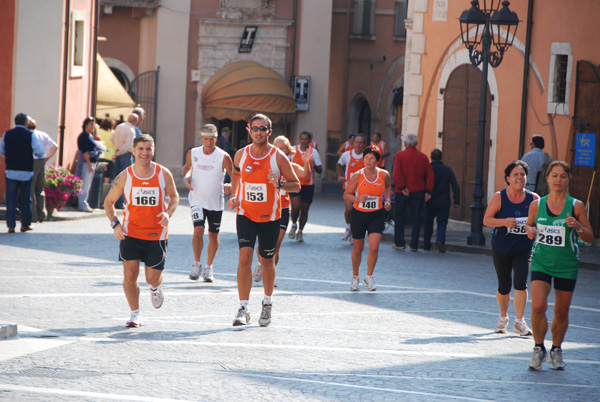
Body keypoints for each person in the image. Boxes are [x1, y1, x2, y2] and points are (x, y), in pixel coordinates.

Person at [227, 113, 300, 327]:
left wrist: (279, 184)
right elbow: (236, 174)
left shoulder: (278, 157)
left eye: (263, 128)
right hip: (246, 214)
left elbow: (296, 185)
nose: (259, 132)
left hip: (270, 216)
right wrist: (234, 195)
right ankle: (243, 308)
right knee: (244, 257)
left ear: (270, 131)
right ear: (249, 129)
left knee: (267, 260)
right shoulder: (241, 154)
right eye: (255, 128)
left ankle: (267, 304)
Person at [104, 134, 179, 328]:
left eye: (148, 149)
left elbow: (174, 196)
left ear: (153, 150)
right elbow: (108, 202)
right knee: (130, 275)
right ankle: (135, 313)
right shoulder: (125, 176)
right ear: (133, 151)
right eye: (141, 149)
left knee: (151, 277)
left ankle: (155, 288)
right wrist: (115, 224)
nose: (145, 153)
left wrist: (168, 213)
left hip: (157, 233)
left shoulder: (163, 174)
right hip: (131, 233)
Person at [524, 161, 593, 370]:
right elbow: (530, 224)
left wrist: (578, 226)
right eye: (554, 175)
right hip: (541, 262)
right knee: (538, 306)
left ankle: (556, 349)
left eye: (562, 176)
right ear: (547, 178)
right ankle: (538, 348)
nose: (558, 180)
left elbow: (590, 237)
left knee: (561, 311)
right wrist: (529, 230)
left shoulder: (576, 206)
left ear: (568, 179)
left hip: (566, 264)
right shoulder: (537, 205)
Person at [483, 160, 538, 337]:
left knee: (521, 282)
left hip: (523, 247)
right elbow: (487, 220)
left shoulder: (534, 199)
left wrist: (533, 231)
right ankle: (503, 317)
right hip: (502, 245)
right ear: (508, 178)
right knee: (504, 284)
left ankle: (519, 321)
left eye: (522, 174)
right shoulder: (499, 197)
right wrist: (504, 222)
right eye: (516, 174)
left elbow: (540, 224)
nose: (520, 177)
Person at [253, 135, 312, 282]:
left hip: (282, 209)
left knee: (275, 246)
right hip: (265, 209)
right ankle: (261, 264)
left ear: (287, 150)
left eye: (282, 148)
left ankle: (270, 275)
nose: (279, 151)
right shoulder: (267, 164)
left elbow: (305, 174)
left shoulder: (290, 166)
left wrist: (306, 163)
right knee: (261, 247)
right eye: (277, 148)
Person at [183, 124, 233, 283]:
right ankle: (197, 264)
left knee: (213, 234)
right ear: (201, 138)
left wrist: (230, 186)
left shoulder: (223, 156)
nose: (209, 142)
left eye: (212, 139)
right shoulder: (193, 153)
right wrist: (187, 178)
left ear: (216, 138)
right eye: (206, 139)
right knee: (198, 230)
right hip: (197, 199)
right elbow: (188, 168)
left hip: (215, 202)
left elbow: (234, 176)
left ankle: (209, 267)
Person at [343, 146, 391, 292]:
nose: (368, 161)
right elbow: (346, 195)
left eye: (371, 158)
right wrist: (357, 198)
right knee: (358, 249)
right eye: (366, 158)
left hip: (376, 214)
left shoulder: (384, 175)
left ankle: (369, 277)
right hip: (359, 215)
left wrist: (387, 200)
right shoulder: (357, 175)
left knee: (374, 247)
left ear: (378, 160)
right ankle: (355, 276)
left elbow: (388, 187)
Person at [0, 113, 45, 233]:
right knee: (26, 198)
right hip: (26, 171)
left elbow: (2, 150)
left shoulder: (7, 134)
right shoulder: (30, 135)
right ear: (26, 123)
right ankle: (25, 224)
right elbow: (39, 152)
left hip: (11, 170)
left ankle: (11, 225)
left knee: (11, 199)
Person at [392, 133, 434, 251]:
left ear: (404, 144)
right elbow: (430, 176)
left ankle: (399, 242)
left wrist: (402, 186)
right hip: (418, 191)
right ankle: (414, 244)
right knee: (416, 218)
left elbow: (396, 174)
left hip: (402, 192)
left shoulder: (399, 155)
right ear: (416, 144)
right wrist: (428, 190)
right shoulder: (423, 157)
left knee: (399, 217)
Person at [287, 131, 323, 242]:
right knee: (296, 207)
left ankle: (300, 231)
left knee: (305, 210)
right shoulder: (292, 150)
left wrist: (313, 164)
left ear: (309, 140)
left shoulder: (314, 152)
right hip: (295, 183)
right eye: (301, 139)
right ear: (299, 139)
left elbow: (320, 170)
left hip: (308, 184)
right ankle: (293, 224)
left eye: (306, 139)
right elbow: (285, 164)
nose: (303, 141)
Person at [423, 149, 460, 253]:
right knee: (442, 223)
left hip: (430, 200)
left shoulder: (428, 169)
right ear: (441, 158)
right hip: (443, 201)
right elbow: (455, 186)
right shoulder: (447, 169)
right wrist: (456, 201)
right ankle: (440, 240)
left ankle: (426, 243)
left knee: (428, 223)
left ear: (431, 157)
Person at [336, 134, 366, 242]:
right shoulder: (346, 155)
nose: (358, 144)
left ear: (364, 144)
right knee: (349, 209)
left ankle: (355, 233)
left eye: (360, 142)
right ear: (353, 143)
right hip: (349, 187)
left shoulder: (366, 156)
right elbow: (339, 164)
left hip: (362, 188)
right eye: (356, 142)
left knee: (358, 211)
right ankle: (348, 228)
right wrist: (339, 175)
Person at [27, 118, 58, 222]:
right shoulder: (42, 134)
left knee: (30, 189)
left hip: (31, 161)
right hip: (41, 162)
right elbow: (55, 146)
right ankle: (41, 214)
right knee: (40, 189)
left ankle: (33, 215)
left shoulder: (27, 135)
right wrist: (46, 157)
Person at [110, 113, 138, 208]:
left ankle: (114, 200)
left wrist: (117, 150)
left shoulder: (119, 126)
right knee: (125, 180)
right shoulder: (131, 130)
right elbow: (128, 146)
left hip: (118, 153)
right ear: (135, 122)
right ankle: (120, 202)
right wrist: (121, 152)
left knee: (117, 179)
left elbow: (111, 138)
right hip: (125, 155)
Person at [76, 117, 101, 212]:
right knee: (84, 184)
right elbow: (85, 152)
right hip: (87, 163)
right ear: (86, 125)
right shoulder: (83, 137)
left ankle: (85, 202)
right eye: (91, 124)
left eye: (93, 125)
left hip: (91, 163)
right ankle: (82, 204)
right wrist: (90, 165)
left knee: (88, 184)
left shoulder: (90, 136)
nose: (93, 127)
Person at [97, 118, 117, 182]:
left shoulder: (99, 131)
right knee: (108, 172)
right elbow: (115, 144)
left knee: (99, 171)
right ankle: (106, 185)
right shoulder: (113, 133)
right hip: (110, 155)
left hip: (101, 154)